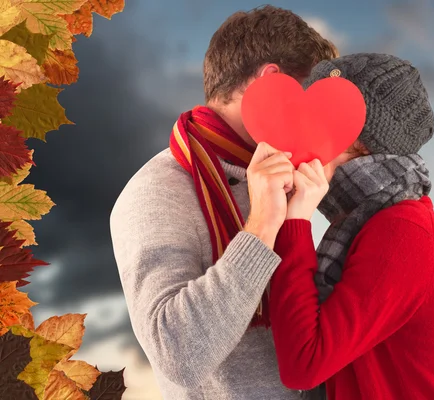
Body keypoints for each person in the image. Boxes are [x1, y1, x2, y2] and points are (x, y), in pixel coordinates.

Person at [109, 5, 337, 399]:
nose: (313, 118)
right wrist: (262, 226)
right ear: (272, 82)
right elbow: (178, 355)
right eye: (309, 97)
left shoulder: (281, 174)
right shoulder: (154, 193)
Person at [268, 53, 434, 399]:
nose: (299, 139)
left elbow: (303, 365)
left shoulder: (404, 231)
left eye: (319, 122)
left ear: (362, 145)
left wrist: (295, 219)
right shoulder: (370, 221)